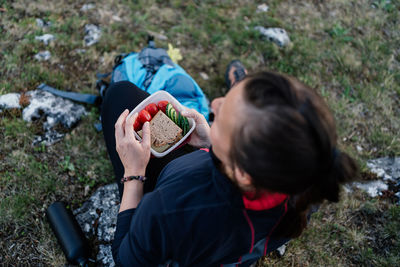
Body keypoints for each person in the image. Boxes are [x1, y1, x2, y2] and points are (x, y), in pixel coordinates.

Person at [101, 61, 358, 266]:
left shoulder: (169, 208)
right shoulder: (304, 179)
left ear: (243, 172)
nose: (213, 104)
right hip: (233, 247)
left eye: (220, 117)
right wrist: (214, 142)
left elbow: (126, 260)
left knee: (119, 94)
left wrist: (133, 173)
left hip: (192, 228)